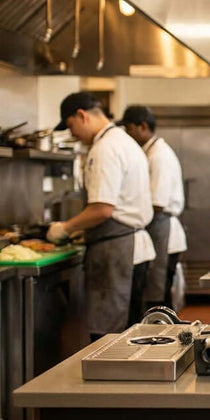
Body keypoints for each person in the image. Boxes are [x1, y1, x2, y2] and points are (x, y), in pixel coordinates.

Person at [47, 92, 155, 340]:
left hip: (117, 253)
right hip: (132, 249)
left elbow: (102, 209)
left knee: (109, 338)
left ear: (82, 116)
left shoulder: (104, 148)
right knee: (131, 336)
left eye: (72, 126)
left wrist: (64, 228)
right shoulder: (125, 142)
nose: (73, 134)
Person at [118, 105, 188, 310]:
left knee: (158, 297)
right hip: (157, 227)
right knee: (153, 294)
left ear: (142, 127)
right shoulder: (148, 152)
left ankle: (166, 338)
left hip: (162, 228)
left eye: (129, 128)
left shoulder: (159, 155)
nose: (127, 134)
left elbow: (157, 203)